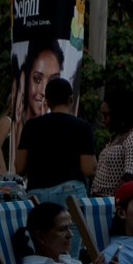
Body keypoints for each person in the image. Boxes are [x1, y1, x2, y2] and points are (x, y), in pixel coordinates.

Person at [13, 78, 98, 250]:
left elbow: (19, 167)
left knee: (41, 250)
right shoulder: (82, 127)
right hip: (70, 194)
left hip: (37, 195)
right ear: (71, 99)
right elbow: (88, 168)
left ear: (47, 100)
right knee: (69, 255)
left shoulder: (31, 126)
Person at [0, 37, 65, 177]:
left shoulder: (43, 125)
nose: (44, 90)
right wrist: (4, 175)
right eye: (37, 79)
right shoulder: (9, 121)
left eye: (52, 81)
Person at [91, 86, 133, 198]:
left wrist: (116, 203)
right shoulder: (119, 137)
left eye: (106, 115)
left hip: (120, 207)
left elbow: (130, 178)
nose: (104, 120)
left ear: (118, 112)